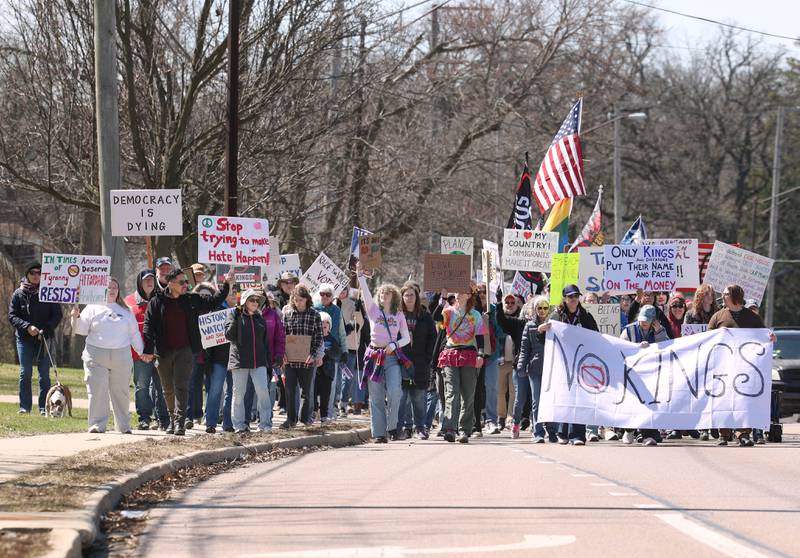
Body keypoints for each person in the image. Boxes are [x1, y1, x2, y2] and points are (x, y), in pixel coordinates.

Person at [142, 267, 233, 435]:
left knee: (181, 386)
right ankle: (171, 419)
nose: (186, 285)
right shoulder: (157, 302)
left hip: (186, 350)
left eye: (186, 281)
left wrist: (226, 284)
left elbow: (214, 301)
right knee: (167, 388)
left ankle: (179, 422)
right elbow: (148, 326)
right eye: (182, 282)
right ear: (170, 283)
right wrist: (148, 349)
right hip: (163, 351)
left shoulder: (191, 299)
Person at [71, 277, 143, 433]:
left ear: (118, 290)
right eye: (108, 287)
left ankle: (123, 426)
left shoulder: (126, 310)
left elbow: (134, 334)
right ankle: (97, 424)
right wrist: (75, 317)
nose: (112, 290)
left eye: (115, 287)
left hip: (121, 356)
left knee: (121, 392)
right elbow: (81, 330)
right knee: (97, 391)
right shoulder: (92, 307)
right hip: (96, 355)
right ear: (101, 290)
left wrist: (142, 351)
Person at [708, 284, 775, 447]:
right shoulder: (718, 317)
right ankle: (723, 434)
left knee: (744, 401)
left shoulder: (751, 317)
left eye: (725, 294)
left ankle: (743, 434)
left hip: (745, 369)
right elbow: (708, 339)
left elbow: (763, 336)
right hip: (723, 367)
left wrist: (770, 338)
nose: (722, 296)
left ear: (735, 296)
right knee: (723, 400)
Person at [357, 263, 412, 443]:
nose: (383, 295)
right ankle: (379, 433)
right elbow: (365, 293)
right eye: (381, 293)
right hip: (374, 356)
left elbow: (406, 338)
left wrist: (395, 345)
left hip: (391, 358)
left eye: (387, 293)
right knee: (376, 396)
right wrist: (360, 276)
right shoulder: (373, 310)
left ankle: (393, 427)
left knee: (396, 392)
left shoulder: (399, 315)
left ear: (393, 296)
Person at [540, 284, 598, 445]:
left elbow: (596, 337)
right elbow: (544, 340)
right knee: (564, 396)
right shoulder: (556, 317)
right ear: (565, 299)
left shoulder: (585, 316)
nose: (573, 300)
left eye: (576, 296)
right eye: (570, 297)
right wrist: (541, 330)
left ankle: (577, 435)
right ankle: (562, 432)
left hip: (580, 364)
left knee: (579, 398)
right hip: (562, 364)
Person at [432, 284, 487, 444]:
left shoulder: (475, 314)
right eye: (456, 291)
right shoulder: (448, 311)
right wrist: (442, 299)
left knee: (468, 394)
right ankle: (449, 428)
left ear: (469, 295)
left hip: (469, 355)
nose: (458, 294)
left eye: (462, 292)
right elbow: (436, 317)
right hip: (450, 354)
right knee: (451, 392)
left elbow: (481, 338)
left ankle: (464, 429)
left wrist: (481, 355)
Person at [8, 261, 63, 415]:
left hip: (44, 339)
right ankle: (25, 407)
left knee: (44, 375)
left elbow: (57, 315)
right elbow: (12, 316)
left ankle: (43, 408)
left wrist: (45, 330)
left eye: (39, 273)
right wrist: (27, 326)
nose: (36, 276)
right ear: (27, 275)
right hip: (24, 339)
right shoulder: (19, 293)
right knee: (25, 373)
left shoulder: (49, 291)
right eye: (32, 273)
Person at [124, 270, 169, 430]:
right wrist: (142, 352)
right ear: (139, 282)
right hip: (140, 355)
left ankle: (163, 419)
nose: (149, 282)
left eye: (151, 279)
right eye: (145, 280)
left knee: (162, 387)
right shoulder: (128, 302)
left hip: (160, 354)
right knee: (142, 387)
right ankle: (144, 418)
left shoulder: (163, 299)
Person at [619, 304, 669, 446]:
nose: (644, 322)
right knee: (632, 402)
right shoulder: (629, 330)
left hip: (652, 373)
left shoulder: (660, 330)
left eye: (647, 320)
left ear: (654, 320)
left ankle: (647, 435)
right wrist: (637, 348)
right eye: (642, 319)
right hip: (632, 372)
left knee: (648, 403)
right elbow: (621, 348)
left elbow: (668, 347)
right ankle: (629, 430)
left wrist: (659, 331)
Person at [225, 289, 272, 433]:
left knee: (263, 391)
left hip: (259, 361)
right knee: (239, 394)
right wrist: (238, 315)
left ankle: (265, 425)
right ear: (245, 301)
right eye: (252, 300)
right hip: (239, 361)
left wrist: (268, 361)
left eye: (258, 301)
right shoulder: (233, 314)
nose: (255, 303)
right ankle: (239, 425)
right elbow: (229, 335)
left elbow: (265, 341)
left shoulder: (260, 318)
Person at [398, 283, 437, 439]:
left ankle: (420, 428)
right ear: (401, 297)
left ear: (417, 297)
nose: (409, 298)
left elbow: (432, 337)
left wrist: (428, 357)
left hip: (420, 362)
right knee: (402, 398)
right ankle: (403, 428)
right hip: (401, 361)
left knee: (419, 397)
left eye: (412, 295)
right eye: (406, 295)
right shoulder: (397, 315)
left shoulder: (424, 316)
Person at [281, 283, 323, 428]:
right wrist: (282, 354)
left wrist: (313, 355)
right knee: (290, 390)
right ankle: (291, 420)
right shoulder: (287, 315)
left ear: (306, 299)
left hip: (307, 360)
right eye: (295, 299)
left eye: (300, 299)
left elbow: (318, 337)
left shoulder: (315, 315)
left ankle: (305, 419)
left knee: (307, 391)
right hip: (290, 360)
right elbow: (282, 337)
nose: (298, 302)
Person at [515, 296, 553, 443]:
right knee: (536, 401)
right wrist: (521, 366)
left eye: (545, 307)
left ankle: (552, 430)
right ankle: (538, 432)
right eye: (539, 308)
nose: (542, 311)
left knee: (550, 400)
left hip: (551, 369)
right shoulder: (529, 325)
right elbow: (524, 348)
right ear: (535, 309)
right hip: (535, 368)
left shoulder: (554, 324)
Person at [683, 283, 718, 441]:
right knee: (701, 393)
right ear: (700, 296)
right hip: (698, 358)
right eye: (706, 294)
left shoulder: (719, 313)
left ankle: (716, 425)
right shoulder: (691, 314)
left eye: (711, 294)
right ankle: (703, 428)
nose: (709, 297)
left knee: (716, 393)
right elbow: (686, 335)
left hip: (717, 357)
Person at [313, 283, 347, 422]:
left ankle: (328, 413)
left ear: (332, 297)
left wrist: (344, 350)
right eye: (322, 293)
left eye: (328, 294)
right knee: (313, 384)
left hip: (331, 350)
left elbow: (342, 332)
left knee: (331, 384)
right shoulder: (313, 309)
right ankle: (313, 412)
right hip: (315, 349)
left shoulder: (337, 310)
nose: (325, 296)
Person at [495, 292, 523, 431]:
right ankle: (500, 416)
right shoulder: (499, 318)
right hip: (500, 361)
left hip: (515, 362)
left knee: (514, 392)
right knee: (500, 391)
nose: (510, 305)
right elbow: (500, 319)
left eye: (513, 303)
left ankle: (510, 418)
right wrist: (499, 302)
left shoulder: (521, 319)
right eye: (507, 303)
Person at [338, 287, 366, 416]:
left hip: (350, 346)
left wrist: (359, 310)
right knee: (335, 378)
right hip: (334, 346)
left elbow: (359, 323)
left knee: (348, 377)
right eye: (339, 289)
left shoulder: (353, 304)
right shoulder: (330, 303)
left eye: (344, 290)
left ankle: (343, 403)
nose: (341, 292)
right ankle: (333, 403)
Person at [315, 312, 342, 423]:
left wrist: (325, 352)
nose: (324, 324)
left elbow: (337, 354)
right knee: (313, 392)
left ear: (329, 326)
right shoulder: (315, 338)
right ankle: (314, 412)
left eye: (327, 322)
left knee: (325, 395)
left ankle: (324, 416)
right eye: (322, 322)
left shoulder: (332, 340)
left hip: (328, 372)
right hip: (315, 371)